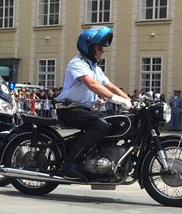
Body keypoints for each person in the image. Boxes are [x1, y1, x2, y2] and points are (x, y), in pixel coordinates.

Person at [55, 26, 131, 179]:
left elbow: (111, 86)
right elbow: (93, 85)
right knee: (101, 125)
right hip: (69, 109)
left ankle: (102, 161)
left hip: (83, 110)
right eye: (99, 48)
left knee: (114, 123)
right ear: (88, 47)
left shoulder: (95, 68)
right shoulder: (77, 63)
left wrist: (129, 100)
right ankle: (69, 163)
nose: (102, 51)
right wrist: (115, 99)